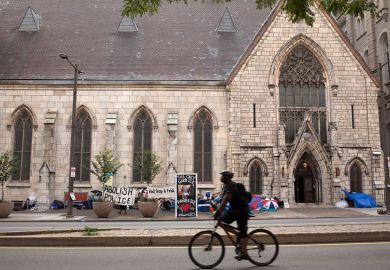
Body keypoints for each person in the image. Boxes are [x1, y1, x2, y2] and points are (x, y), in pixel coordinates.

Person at [214, 170, 250, 261]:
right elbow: (222, 198)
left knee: (243, 231)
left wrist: (219, 211)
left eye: (222, 176)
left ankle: (244, 253)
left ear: (227, 177)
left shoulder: (231, 185)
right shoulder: (226, 186)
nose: (220, 177)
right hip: (234, 209)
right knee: (222, 221)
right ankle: (238, 234)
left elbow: (226, 199)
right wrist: (215, 206)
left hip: (242, 209)